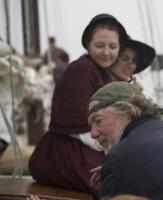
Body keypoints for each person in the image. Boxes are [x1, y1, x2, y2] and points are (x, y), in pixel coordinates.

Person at [28, 14, 128, 200]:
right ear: (88, 44)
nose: (106, 52)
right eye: (100, 45)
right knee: (110, 189)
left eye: (112, 46)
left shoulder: (102, 72)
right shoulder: (81, 69)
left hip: (84, 148)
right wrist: (111, 148)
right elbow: (77, 122)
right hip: (64, 154)